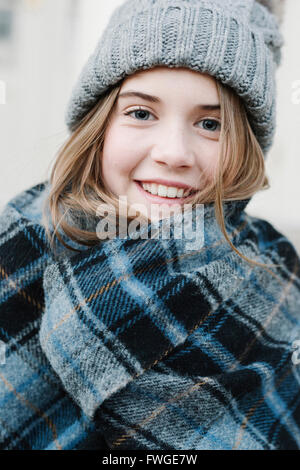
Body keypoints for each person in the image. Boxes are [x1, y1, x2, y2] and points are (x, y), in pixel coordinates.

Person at [0, 0, 300, 451]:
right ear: (99, 126)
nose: (173, 153)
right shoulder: (17, 251)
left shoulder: (276, 274)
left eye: (210, 123)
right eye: (141, 113)